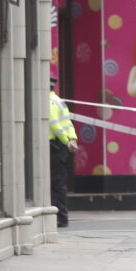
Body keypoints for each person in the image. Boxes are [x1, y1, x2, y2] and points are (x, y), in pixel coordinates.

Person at [48, 78, 79, 227]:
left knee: (55, 184)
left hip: (54, 146)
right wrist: (72, 139)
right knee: (59, 183)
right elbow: (68, 122)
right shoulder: (59, 100)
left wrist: (66, 141)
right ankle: (62, 216)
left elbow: (55, 125)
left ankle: (60, 217)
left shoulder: (48, 102)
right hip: (62, 148)